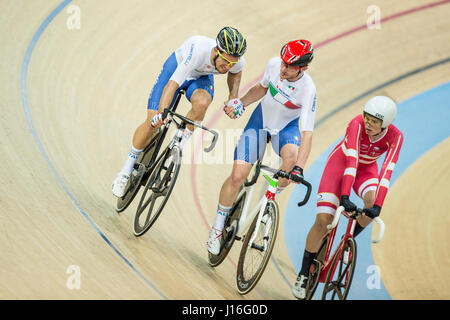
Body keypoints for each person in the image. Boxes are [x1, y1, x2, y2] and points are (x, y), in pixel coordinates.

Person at [206, 39, 317, 255]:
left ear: (302, 68)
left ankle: (270, 198)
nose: (283, 68)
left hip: (286, 129)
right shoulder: (275, 64)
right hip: (260, 122)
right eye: (283, 62)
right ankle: (217, 230)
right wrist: (242, 103)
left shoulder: (308, 89)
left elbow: (307, 133)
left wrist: (299, 168)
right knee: (238, 176)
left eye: (289, 66)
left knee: (292, 161)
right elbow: (263, 88)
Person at [112, 27, 247, 197]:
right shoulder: (199, 50)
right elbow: (173, 84)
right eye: (225, 62)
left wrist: (233, 97)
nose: (228, 67)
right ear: (216, 51)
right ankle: (125, 171)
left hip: (200, 78)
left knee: (203, 103)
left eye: (232, 63)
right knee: (152, 122)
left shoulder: (236, 62)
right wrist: (161, 115)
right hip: (176, 69)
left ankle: (177, 147)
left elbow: (236, 73)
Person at [292, 95, 404, 299]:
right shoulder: (356, 124)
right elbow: (351, 161)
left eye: (375, 122)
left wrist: (377, 206)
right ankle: (303, 274)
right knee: (323, 220)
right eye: (367, 118)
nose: (368, 124)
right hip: (341, 164)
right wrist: (344, 196)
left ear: (385, 124)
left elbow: (387, 171)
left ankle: (348, 239)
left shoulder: (396, 137)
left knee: (370, 205)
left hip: (366, 169)